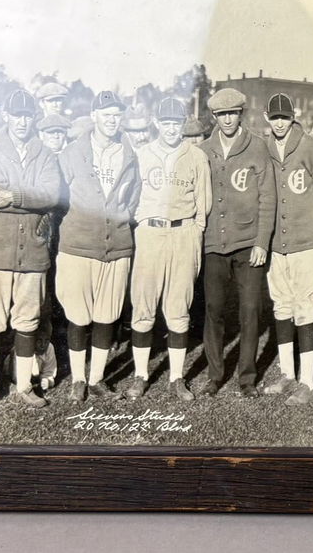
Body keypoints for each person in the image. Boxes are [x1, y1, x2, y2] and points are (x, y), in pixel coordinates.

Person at [0, 90, 62, 411]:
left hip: (33, 252)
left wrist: (17, 196)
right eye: (16, 115)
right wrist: (31, 199)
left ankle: (24, 385)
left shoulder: (45, 153)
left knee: (28, 319)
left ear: (34, 118)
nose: (22, 122)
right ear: (6, 117)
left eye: (28, 116)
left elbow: (52, 193)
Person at [123, 97, 212, 401]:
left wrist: (194, 231)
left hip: (184, 232)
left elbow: (204, 202)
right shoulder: (142, 153)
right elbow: (131, 196)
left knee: (178, 307)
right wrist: (142, 224)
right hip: (150, 232)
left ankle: (176, 377)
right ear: (157, 124)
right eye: (166, 123)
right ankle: (140, 375)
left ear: (182, 124)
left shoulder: (196, 155)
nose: (172, 128)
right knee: (144, 305)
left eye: (177, 123)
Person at [53, 91, 139, 402]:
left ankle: (98, 378)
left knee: (107, 313)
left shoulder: (127, 154)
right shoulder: (73, 153)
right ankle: (78, 379)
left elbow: (133, 198)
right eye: (106, 115)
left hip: (116, 245)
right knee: (79, 314)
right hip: (78, 245)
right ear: (94, 117)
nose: (112, 121)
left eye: (117, 115)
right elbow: (58, 195)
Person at [199, 88, 276, 399]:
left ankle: (247, 378)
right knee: (214, 310)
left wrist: (261, 243)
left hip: (248, 244)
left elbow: (268, 198)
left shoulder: (257, 147)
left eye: (232, 113)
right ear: (214, 117)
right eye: (221, 114)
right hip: (214, 244)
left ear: (241, 114)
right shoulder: (204, 149)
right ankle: (214, 375)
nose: (227, 119)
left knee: (250, 310)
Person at [263, 93, 313, 405]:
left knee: (306, 307)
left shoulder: (309, 144)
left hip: (309, 241)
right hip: (277, 242)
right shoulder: (265, 146)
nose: (280, 123)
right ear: (268, 118)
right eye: (275, 117)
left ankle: (307, 382)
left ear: (293, 117)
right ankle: (287, 374)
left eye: (285, 117)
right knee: (282, 305)